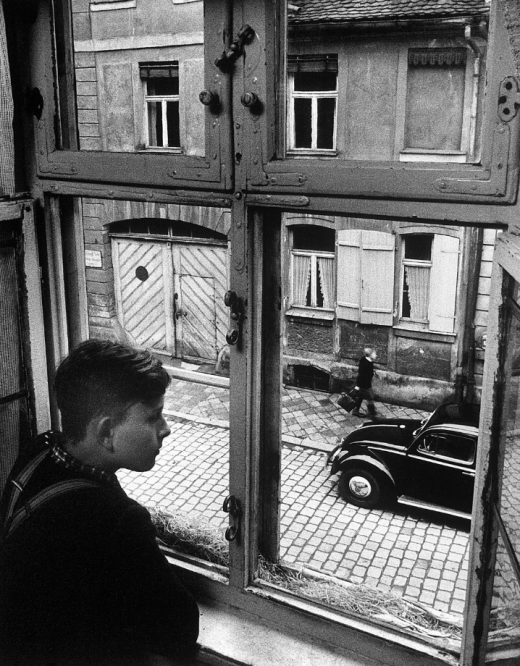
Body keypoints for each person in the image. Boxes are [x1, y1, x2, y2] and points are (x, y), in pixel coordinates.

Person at [0, 339, 199, 663]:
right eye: (153, 417)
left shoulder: (39, 450)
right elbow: (180, 625)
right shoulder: (118, 520)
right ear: (106, 431)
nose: (166, 429)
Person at [351, 347, 377, 418]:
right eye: (375, 354)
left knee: (361, 397)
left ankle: (356, 410)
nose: (376, 355)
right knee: (370, 397)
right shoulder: (366, 363)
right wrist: (358, 385)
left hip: (366, 384)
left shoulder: (368, 361)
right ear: (370, 355)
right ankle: (372, 413)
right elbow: (361, 375)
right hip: (364, 384)